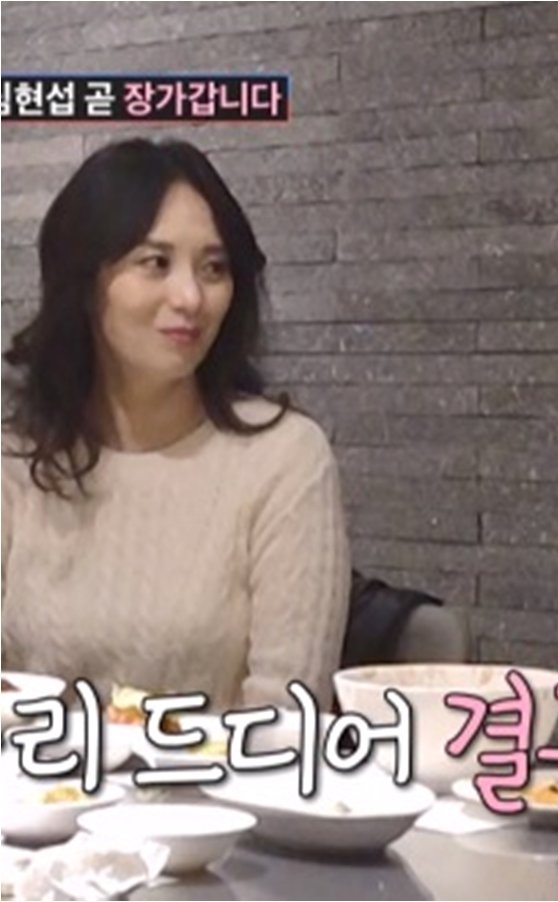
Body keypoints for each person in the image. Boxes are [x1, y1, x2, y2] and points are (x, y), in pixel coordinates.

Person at [1, 138, 350, 712]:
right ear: (84, 282)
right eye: (155, 263)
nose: (190, 297)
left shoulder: (284, 458)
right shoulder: (17, 459)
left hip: (223, 774)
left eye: (214, 268)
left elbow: (285, 719)